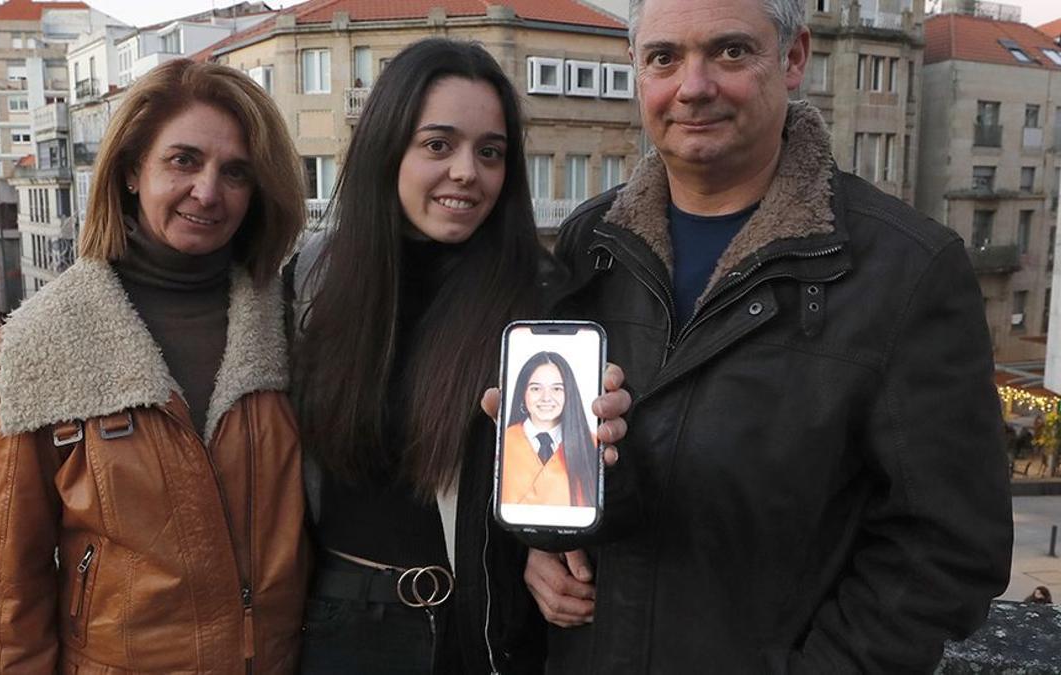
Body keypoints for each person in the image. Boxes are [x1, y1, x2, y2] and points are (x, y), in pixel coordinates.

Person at [523, 0, 1014, 672]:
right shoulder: (593, 241)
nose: (693, 87)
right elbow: (585, 468)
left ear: (793, 59)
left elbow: (949, 548)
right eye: (664, 58)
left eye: (729, 52)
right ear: (635, 70)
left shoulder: (907, 269)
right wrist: (544, 540)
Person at [288, 39, 628, 674]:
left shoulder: (542, 302)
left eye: (490, 152)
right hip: (332, 627)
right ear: (389, 148)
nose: (468, 172)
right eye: (438, 145)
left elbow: (557, 490)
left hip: (476, 632)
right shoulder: (312, 284)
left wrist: (556, 538)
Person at [0, 59, 309, 673]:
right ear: (131, 170)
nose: (208, 192)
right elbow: (14, 583)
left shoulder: (291, 323)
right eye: (183, 161)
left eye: (235, 172)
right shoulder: (39, 343)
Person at [501, 351, 598, 507]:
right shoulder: (502, 442)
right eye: (536, 389)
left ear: (569, 394)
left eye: (557, 389)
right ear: (523, 393)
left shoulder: (592, 444)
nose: (546, 398)